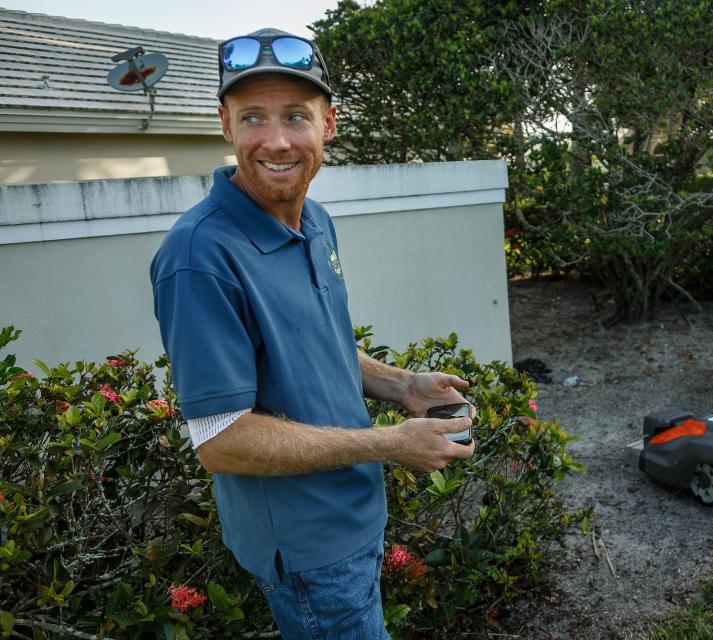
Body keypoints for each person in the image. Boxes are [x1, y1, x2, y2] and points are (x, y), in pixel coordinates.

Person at [149, 29, 475, 639]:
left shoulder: (315, 221)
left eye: (296, 116)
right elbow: (220, 440)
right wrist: (387, 444)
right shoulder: (199, 256)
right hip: (309, 551)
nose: (276, 140)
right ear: (225, 125)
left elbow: (315, 343)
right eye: (253, 118)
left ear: (328, 124)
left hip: (353, 518)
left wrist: (402, 384)